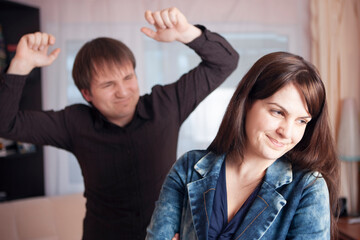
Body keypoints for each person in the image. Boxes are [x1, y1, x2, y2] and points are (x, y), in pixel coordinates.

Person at [0, 7, 239, 240]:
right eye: (108, 85)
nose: (123, 91)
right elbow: (6, 123)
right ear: (87, 94)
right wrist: (20, 65)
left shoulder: (166, 104)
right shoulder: (73, 123)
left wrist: (186, 33)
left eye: (128, 77)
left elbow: (225, 62)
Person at [146, 52, 340, 240]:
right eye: (278, 112)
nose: (287, 132)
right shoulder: (189, 168)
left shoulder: (307, 187)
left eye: (301, 121)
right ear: (247, 103)